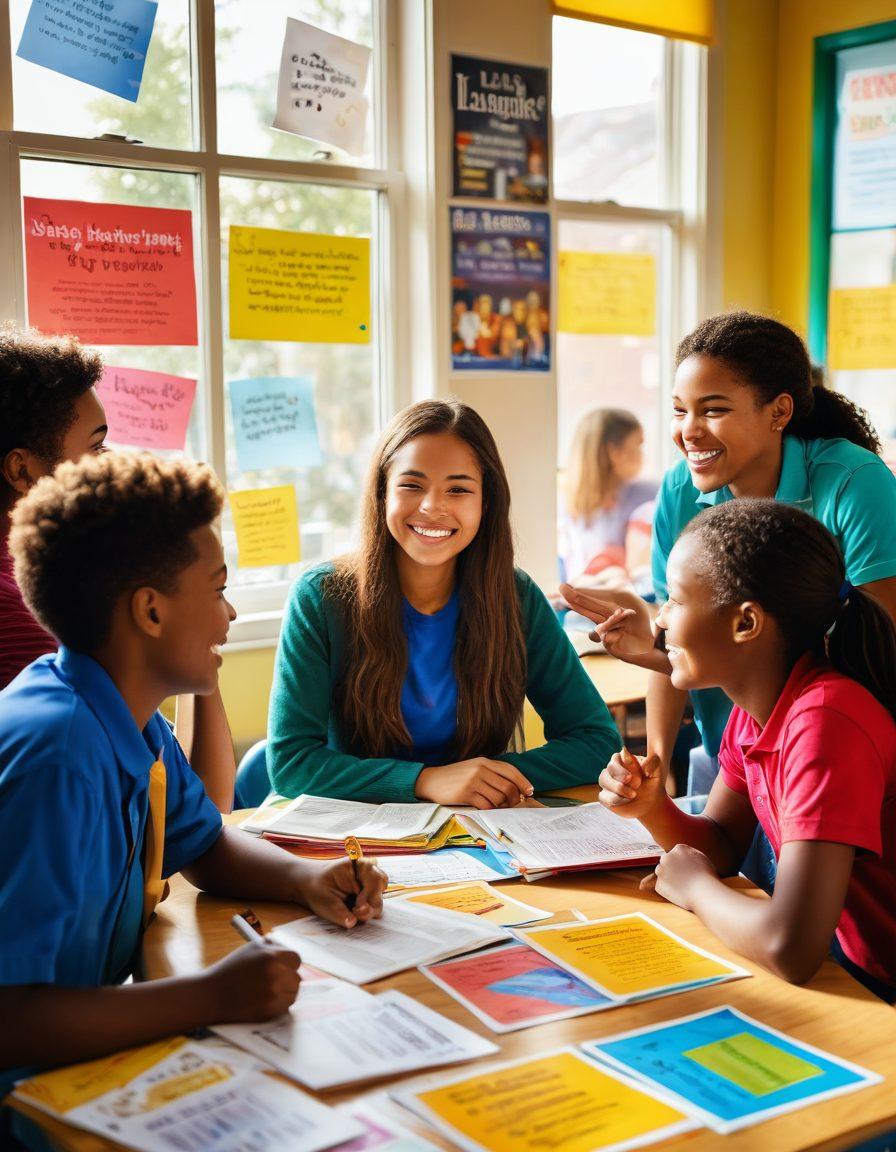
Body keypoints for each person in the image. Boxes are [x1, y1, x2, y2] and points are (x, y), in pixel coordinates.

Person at [0, 453, 387, 1105]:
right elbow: (10, 1020)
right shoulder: (57, 757)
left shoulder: (124, 712)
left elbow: (202, 843)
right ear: (150, 612)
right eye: (216, 590)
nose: (230, 615)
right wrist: (208, 995)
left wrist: (306, 879)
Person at [562, 313, 896, 802]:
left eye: (712, 410)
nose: (689, 432)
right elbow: (687, 639)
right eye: (679, 411)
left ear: (779, 412)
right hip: (735, 764)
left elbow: (878, 649)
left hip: (832, 762)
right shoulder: (680, 489)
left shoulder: (853, 482)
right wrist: (655, 766)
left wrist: (664, 649)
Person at [596, 499, 896, 1001]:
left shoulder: (825, 722)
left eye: (674, 600)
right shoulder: (757, 711)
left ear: (746, 623)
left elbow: (791, 947)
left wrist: (695, 890)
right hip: (861, 972)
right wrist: (653, 808)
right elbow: (721, 844)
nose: (661, 621)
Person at [267, 399, 620, 807]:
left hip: (483, 836)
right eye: (412, 485)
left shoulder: (517, 598)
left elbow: (596, 740)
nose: (433, 507)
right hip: (359, 842)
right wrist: (427, 781)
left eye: (458, 489)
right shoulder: (320, 598)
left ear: (486, 503)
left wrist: (486, 780)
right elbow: (292, 764)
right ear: (382, 494)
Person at [0, 327, 236, 811]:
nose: (110, 463)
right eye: (95, 447)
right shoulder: (33, 612)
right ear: (22, 471)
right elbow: (198, 810)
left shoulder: (74, 574)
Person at [557, 409, 657, 592]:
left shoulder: (650, 494)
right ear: (614, 452)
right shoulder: (565, 505)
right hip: (585, 595)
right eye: (638, 445)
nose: (643, 455)